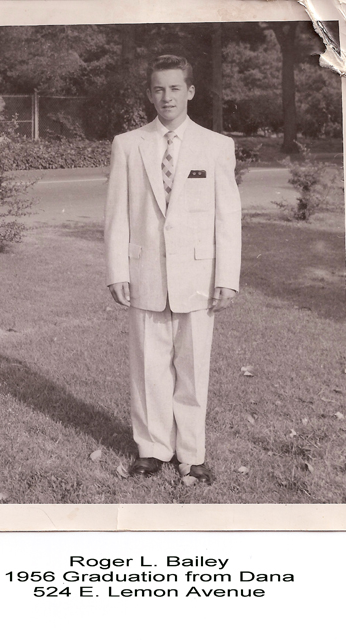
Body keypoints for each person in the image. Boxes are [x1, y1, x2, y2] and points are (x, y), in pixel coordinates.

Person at [104, 54, 241, 485]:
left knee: (193, 367)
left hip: (198, 279)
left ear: (190, 92)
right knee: (148, 367)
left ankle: (192, 454)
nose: (167, 97)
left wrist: (226, 278)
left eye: (175, 88)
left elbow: (227, 219)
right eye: (159, 89)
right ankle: (152, 449)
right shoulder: (128, 144)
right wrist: (116, 270)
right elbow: (117, 215)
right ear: (150, 94)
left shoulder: (216, 146)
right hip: (144, 273)